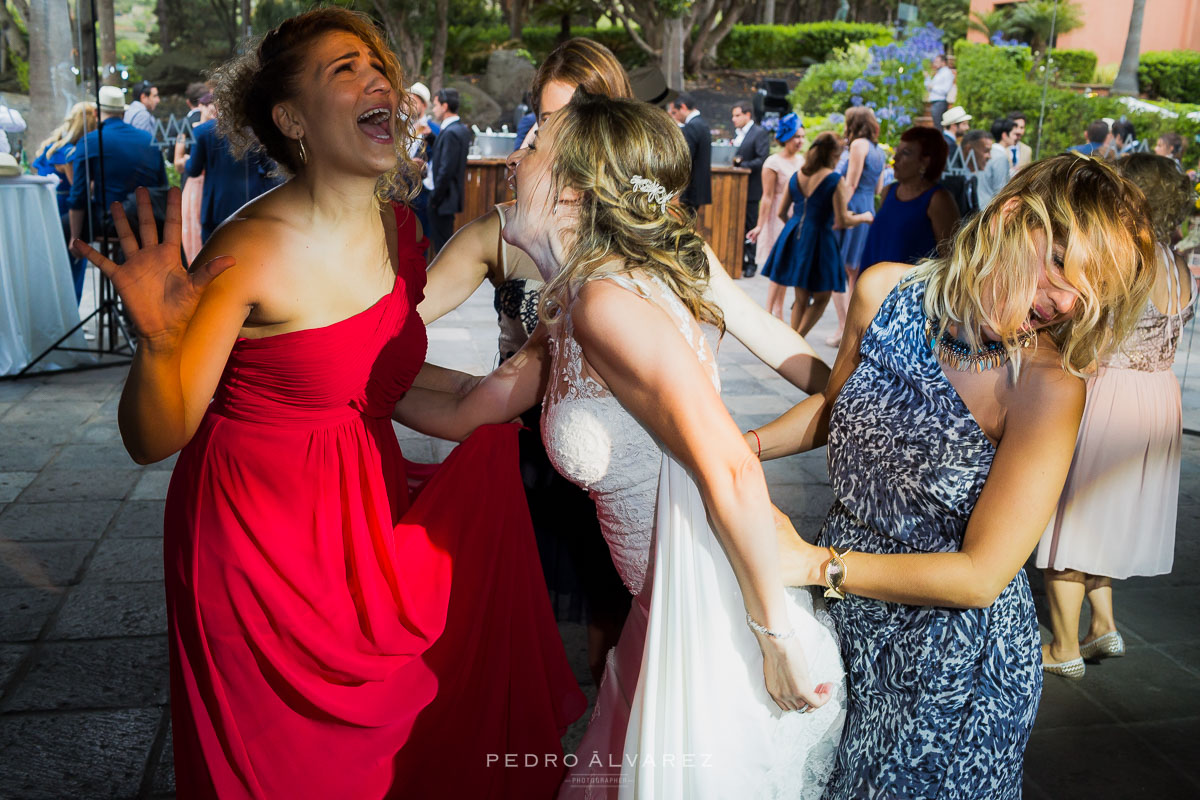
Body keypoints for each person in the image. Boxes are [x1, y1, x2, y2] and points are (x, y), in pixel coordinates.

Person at [71, 9, 584, 796]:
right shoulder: (249, 251)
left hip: (363, 518)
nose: (375, 78)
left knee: (395, 750)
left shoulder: (396, 228)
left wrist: (545, 367)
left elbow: (388, 386)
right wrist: (159, 345)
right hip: (254, 540)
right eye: (343, 69)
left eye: (377, 65)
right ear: (291, 119)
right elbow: (155, 436)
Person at [401, 89, 847, 798]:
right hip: (659, 610)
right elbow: (468, 404)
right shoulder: (577, 302)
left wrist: (776, 638)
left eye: (532, 146)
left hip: (714, 613)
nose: (512, 160)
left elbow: (730, 465)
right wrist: (326, 369)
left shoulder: (608, 303)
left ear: (575, 188)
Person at [752, 154, 1158, 799]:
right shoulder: (884, 290)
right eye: (1060, 268)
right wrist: (742, 446)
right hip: (847, 624)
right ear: (1010, 218)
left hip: (953, 662)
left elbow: (980, 577)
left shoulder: (1049, 386)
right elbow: (839, 406)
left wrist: (813, 565)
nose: (1067, 303)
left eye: (1088, 292)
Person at [1038, 154, 1196, 678]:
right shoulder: (1176, 262)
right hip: (1157, 396)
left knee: (1074, 517)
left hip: (1112, 391)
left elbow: (1092, 337)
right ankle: (1102, 623)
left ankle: (1061, 647)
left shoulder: (1126, 258)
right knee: (1108, 517)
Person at [762, 131, 873, 335]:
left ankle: (792, 340)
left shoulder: (798, 176)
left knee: (801, 297)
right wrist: (865, 217)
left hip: (795, 235)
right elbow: (843, 220)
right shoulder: (833, 179)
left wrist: (798, 226)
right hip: (821, 238)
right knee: (822, 297)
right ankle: (798, 339)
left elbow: (781, 211)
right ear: (832, 155)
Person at [67, 84, 168, 302]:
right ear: (123, 113)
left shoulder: (91, 140)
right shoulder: (147, 139)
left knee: (63, 224)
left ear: (96, 113)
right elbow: (163, 186)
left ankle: (66, 304)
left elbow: (79, 196)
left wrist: (75, 238)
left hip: (113, 221)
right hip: (147, 222)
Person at [860, 126, 958, 270]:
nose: (895, 158)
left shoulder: (938, 199)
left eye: (905, 153)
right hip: (874, 284)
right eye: (897, 151)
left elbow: (951, 258)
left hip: (909, 288)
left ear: (925, 162)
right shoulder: (889, 192)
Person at [829, 106, 887, 346]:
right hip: (868, 208)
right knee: (857, 272)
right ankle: (858, 331)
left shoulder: (858, 145)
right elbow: (877, 188)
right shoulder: (878, 150)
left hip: (852, 206)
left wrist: (838, 214)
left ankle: (844, 328)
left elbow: (850, 183)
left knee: (840, 271)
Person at [184, 103, 279, 244]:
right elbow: (271, 169)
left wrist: (185, 160)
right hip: (252, 202)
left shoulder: (202, 131)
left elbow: (193, 170)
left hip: (216, 206)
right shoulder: (255, 130)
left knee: (215, 253)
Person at [749, 113, 805, 320]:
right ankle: (770, 311)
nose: (799, 141)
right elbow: (767, 197)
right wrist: (760, 225)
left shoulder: (802, 160)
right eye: (795, 136)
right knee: (779, 265)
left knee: (786, 265)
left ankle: (778, 310)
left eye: (802, 137)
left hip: (796, 214)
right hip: (777, 216)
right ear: (786, 137)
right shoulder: (772, 163)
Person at [33, 102, 96, 217]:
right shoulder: (68, 153)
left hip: (44, 205)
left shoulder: (53, 145)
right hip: (62, 210)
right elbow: (80, 189)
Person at [172, 92, 214, 261]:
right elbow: (177, 162)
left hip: (210, 183)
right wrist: (190, 159)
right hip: (194, 185)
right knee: (192, 229)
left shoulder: (217, 131)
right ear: (201, 107)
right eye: (208, 106)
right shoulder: (187, 129)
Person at [428, 87, 470, 252]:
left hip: (443, 200)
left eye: (436, 105)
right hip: (447, 199)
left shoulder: (451, 133)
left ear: (445, 106)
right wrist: (432, 138)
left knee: (442, 249)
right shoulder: (458, 129)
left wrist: (434, 198)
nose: (434, 109)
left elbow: (446, 170)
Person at [732, 100, 770, 277]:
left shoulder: (759, 133)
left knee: (750, 225)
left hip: (752, 188)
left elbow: (762, 159)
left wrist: (742, 164)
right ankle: (738, 260)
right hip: (736, 189)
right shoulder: (738, 134)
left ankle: (751, 262)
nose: (734, 119)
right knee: (738, 224)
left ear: (748, 115)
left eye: (737, 115)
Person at [670, 92, 712, 212]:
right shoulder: (702, 124)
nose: (675, 117)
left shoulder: (692, 126)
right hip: (698, 188)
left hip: (690, 188)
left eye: (674, 112)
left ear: (683, 107)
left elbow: (685, 156)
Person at [946, 129, 993, 218]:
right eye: (986, 151)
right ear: (969, 149)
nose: (989, 156)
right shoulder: (951, 180)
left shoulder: (972, 179)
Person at [978, 116, 1016, 207]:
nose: (1016, 137)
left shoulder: (989, 152)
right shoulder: (1000, 157)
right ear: (1004, 135)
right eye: (1013, 134)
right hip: (988, 208)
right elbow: (1000, 190)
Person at [926, 53, 955, 132]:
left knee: (939, 126)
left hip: (940, 102)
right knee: (937, 125)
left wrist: (933, 87)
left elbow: (945, 89)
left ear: (943, 62)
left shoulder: (947, 73)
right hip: (935, 102)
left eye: (937, 62)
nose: (935, 64)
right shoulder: (939, 73)